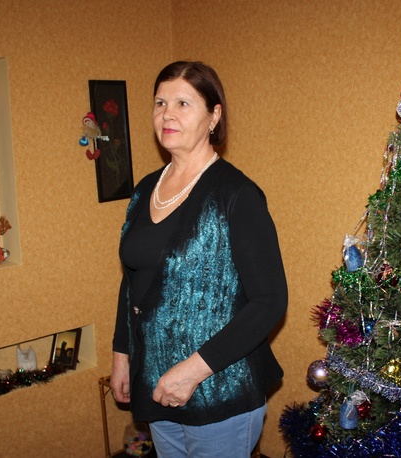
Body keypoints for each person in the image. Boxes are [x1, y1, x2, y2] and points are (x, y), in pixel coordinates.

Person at [110, 61, 288, 458]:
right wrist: (122, 353)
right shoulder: (144, 190)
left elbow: (270, 300)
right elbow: (134, 280)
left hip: (219, 392)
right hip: (157, 386)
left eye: (183, 103)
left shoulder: (237, 195)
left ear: (214, 116)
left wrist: (192, 371)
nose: (167, 114)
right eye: (160, 103)